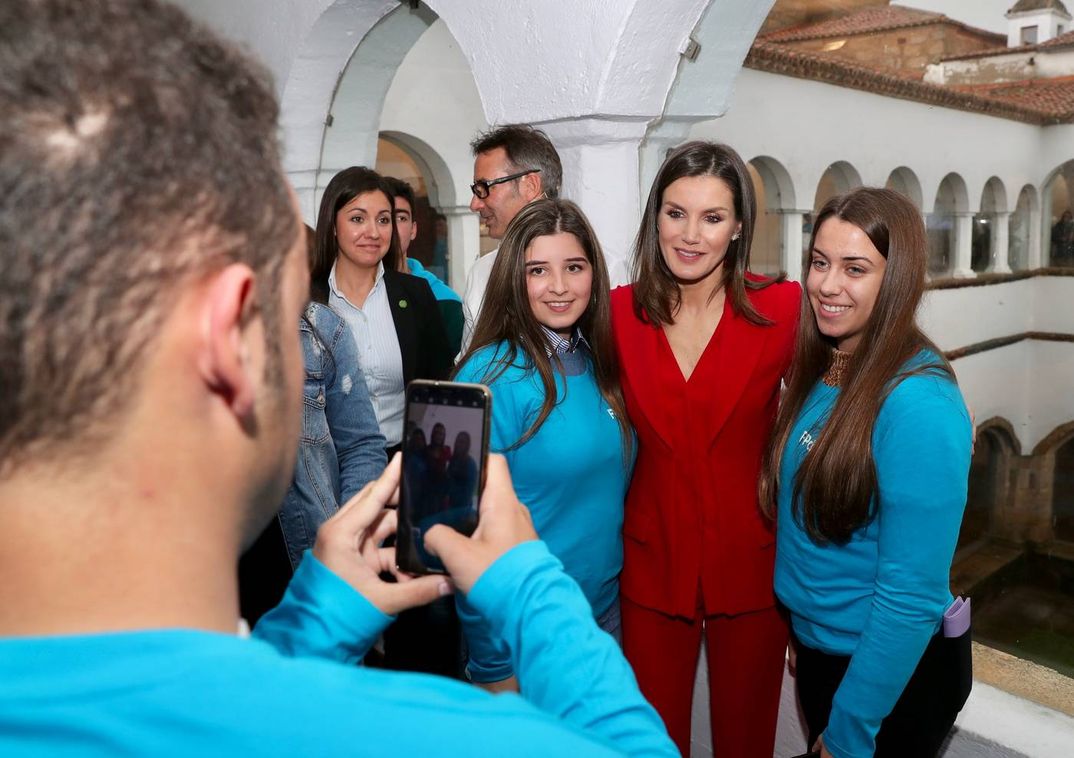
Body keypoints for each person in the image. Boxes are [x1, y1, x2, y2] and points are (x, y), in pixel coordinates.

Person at [0, 2, 678, 756]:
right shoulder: (431, 736)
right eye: (293, 315)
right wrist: (528, 591)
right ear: (228, 343)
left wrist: (313, 622)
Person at [761, 187, 973, 758]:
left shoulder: (918, 404)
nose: (828, 285)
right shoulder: (830, 365)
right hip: (831, 651)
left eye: (855, 269)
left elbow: (910, 596)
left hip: (889, 681)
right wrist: (809, 628)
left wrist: (851, 731)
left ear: (896, 279)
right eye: (820, 262)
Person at [610, 141, 800, 756]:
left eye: (712, 218)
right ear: (655, 217)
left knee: (747, 742)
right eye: (675, 213)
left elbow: (857, 371)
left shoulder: (783, 309)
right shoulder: (616, 314)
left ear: (739, 225)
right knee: (648, 743)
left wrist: (932, 380)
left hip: (753, 570)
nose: (690, 235)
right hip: (650, 564)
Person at [455, 199, 634, 691]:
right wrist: (494, 666)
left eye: (574, 267)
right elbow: (465, 534)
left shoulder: (601, 363)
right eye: (539, 270)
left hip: (601, 621)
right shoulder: (487, 376)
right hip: (523, 636)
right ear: (515, 278)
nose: (559, 287)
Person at [239, 228, 388, 625]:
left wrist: (347, 533)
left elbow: (362, 445)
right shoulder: (189, 334)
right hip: (217, 568)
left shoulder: (323, 331)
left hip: (306, 553)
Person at [312, 166, 453, 458]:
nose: (373, 232)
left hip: (406, 462)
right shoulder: (308, 302)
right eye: (357, 219)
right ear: (333, 225)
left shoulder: (416, 295)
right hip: (330, 470)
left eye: (384, 220)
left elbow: (441, 390)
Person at [462, 124, 563, 352]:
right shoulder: (482, 272)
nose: (475, 204)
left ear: (530, 185)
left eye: (484, 187)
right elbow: (470, 368)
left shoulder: (605, 267)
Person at [384, 176, 464, 355]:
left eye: (401, 218)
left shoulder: (445, 302)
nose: (391, 228)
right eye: (383, 218)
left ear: (413, 230)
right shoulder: (348, 294)